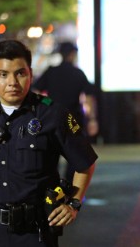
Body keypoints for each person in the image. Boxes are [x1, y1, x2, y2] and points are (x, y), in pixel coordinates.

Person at [0, 40, 97, 246]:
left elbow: (85, 163)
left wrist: (73, 204)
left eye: (20, 73)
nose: (12, 82)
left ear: (31, 74)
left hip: (34, 234)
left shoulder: (53, 115)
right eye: (3, 74)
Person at [33, 41, 98, 183]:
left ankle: (52, 187)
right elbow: (89, 96)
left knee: (51, 155)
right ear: (72, 54)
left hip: (51, 118)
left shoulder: (51, 71)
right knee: (74, 156)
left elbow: (36, 90)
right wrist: (92, 118)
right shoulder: (78, 73)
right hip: (73, 119)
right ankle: (69, 187)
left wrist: (44, 104)